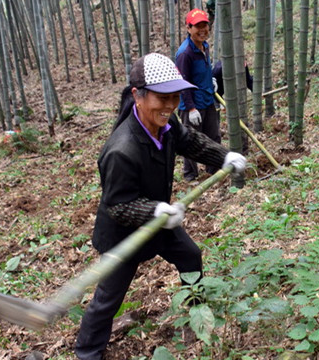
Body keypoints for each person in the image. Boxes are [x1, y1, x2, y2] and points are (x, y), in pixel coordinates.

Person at [74, 53, 246, 360]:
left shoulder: (167, 125)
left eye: (175, 97)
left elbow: (191, 142)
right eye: (161, 98)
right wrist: (155, 211)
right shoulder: (120, 150)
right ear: (138, 96)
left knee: (190, 256)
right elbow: (117, 206)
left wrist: (224, 156)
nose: (169, 106)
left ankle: (195, 321)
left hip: (159, 223)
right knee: (108, 300)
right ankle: (87, 353)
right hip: (124, 234)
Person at [175, 8, 220, 182]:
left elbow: (203, 72)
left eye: (204, 25)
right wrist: (191, 108)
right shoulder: (185, 53)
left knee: (214, 136)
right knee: (191, 142)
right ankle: (190, 176)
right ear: (188, 28)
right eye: (197, 26)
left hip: (207, 99)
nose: (202, 30)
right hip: (191, 105)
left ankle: (214, 169)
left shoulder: (205, 46)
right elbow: (182, 82)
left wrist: (211, 81)